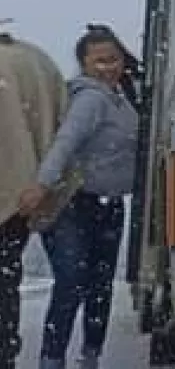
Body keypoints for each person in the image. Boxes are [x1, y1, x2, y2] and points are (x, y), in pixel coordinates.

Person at [18, 26, 138, 369]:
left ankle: (90, 356)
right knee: (72, 281)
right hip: (75, 203)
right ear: (84, 64)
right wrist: (41, 185)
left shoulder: (121, 99)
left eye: (113, 59)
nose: (108, 67)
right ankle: (52, 358)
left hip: (109, 204)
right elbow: (65, 143)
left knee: (100, 285)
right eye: (99, 61)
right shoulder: (90, 98)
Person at [0, 20, 67, 369]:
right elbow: (61, 124)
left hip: (13, 188)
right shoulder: (38, 62)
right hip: (25, 196)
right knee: (6, 279)